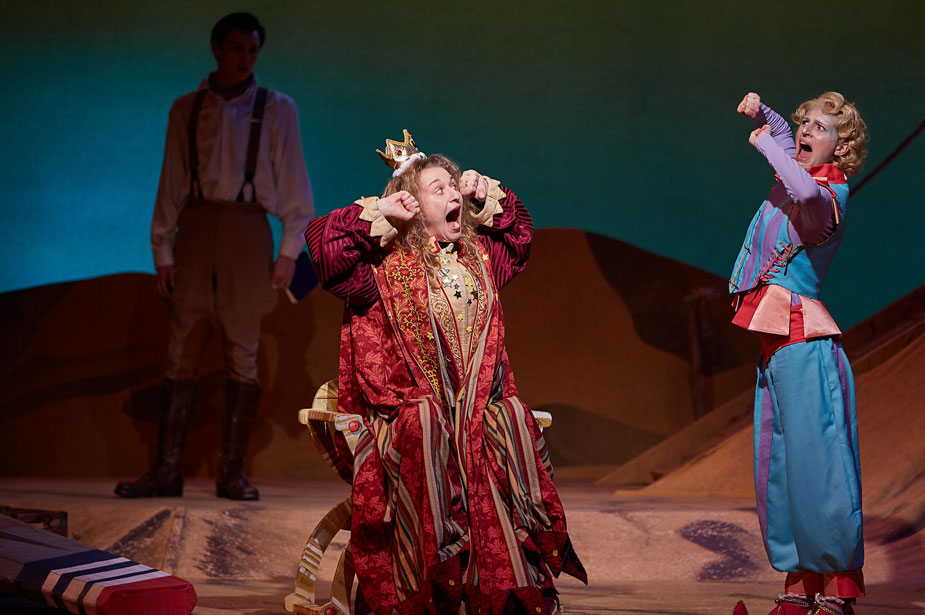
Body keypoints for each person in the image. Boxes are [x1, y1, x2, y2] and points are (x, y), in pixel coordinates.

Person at [304, 131, 585, 615]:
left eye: (455, 185)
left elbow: (519, 236)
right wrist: (380, 213)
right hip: (416, 422)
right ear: (410, 203)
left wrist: (488, 193)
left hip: (473, 421)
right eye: (440, 188)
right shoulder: (381, 272)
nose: (454, 193)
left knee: (508, 421)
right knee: (429, 424)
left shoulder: (480, 260)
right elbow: (324, 251)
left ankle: (507, 591)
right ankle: (432, 572)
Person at [116, 12, 314, 501]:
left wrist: (290, 250)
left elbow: (294, 186)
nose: (245, 59)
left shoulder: (277, 108)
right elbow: (172, 182)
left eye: (252, 51)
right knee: (181, 343)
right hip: (198, 228)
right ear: (216, 49)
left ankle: (232, 472)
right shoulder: (186, 108)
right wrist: (163, 249)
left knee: (242, 348)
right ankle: (166, 470)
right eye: (236, 49)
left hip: (248, 231)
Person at [727, 92, 868, 615]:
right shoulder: (799, 174)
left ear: (842, 146)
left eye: (820, 127)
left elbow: (803, 187)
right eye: (803, 122)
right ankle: (798, 587)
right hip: (777, 345)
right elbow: (790, 150)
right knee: (781, 467)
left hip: (805, 343)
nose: (805, 130)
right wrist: (766, 115)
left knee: (818, 467)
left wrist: (767, 144)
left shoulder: (829, 195)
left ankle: (833, 592)